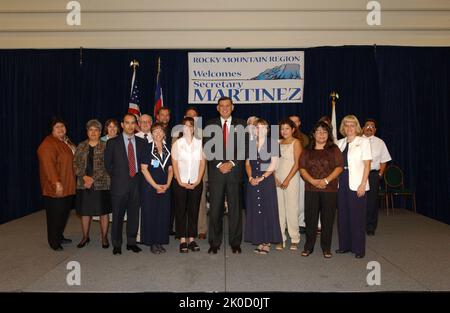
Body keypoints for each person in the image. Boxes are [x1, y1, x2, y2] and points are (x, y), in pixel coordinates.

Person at [203, 96, 247, 254]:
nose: (225, 108)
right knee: (215, 209)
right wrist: (220, 164)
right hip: (217, 173)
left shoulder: (242, 124)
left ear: (233, 107)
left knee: (235, 209)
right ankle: (214, 243)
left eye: (228, 105)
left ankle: (235, 243)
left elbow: (244, 148)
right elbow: (207, 149)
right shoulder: (209, 124)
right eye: (221, 106)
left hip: (235, 172)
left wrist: (232, 163)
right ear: (217, 108)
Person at [299, 121, 343, 258]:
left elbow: (339, 167)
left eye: (324, 132)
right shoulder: (307, 150)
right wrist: (312, 181)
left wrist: (325, 180)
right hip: (311, 188)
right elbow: (302, 168)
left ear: (328, 134)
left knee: (327, 219)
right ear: (313, 134)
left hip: (329, 189)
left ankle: (326, 247)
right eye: (318, 131)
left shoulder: (334, 149)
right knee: (310, 219)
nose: (321, 134)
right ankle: (308, 246)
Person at [105, 113, 146, 255]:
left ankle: (131, 242)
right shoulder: (112, 143)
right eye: (127, 123)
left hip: (136, 184)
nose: (130, 126)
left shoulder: (142, 143)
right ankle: (117, 244)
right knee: (117, 216)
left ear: (136, 125)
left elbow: (144, 165)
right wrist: (119, 178)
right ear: (122, 125)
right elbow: (108, 165)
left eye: (132, 123)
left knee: (134, 215)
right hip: (119, 185)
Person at [37, 117, 76, 251]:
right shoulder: (48, 144)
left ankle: (59, 236)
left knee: (63, 214)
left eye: (62, 126)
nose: (61, 129)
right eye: (57, 127)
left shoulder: (65, 141)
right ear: (51, 130)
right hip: (56, 188)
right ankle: (54, 242)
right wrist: (56, 183)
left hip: (68, 185)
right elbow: (48, 167)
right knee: (55, 215)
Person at [336, 115, 372, 258]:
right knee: (343, 216)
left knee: (357, 217)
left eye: (352, 125)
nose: (349, 128)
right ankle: (344, 246)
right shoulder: (339, 143)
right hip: (341, 182)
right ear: (343, 128)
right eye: (346, 125)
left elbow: (367, 165)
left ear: (356, 127)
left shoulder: (363, 142)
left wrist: (363, 184)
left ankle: (358, 249)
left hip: (357, 182)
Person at [244, 119, 282, 254]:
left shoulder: (273, 143)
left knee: (267, 209)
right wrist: (250, 178)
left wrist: (263, 177)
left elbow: (274, 164)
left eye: (262, 127)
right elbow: (247, 164)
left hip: (266, 180)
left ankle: (267, 242)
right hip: (253, 180)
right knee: (256, 210)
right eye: (257, 128)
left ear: (267, 129)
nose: (259, 130)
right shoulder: (251, 144)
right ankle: (259, 240)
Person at [73, 119, 111, 249]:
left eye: (96, 130)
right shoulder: (81, 146)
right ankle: (85, 236)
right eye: (91, 130)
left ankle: (104, 237)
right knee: (85, 212)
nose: (93, 132)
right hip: (83, 184)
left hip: (101, 184)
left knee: (103, 212)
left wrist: (93, 179)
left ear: (100, 132)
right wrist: (84, 177)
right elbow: (75, 164)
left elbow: (108, 165)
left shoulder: (106, 145)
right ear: (87, 132)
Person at [172, 117, 206, 252]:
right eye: (185, 126)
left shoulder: (199, 143)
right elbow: (174, 164)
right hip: (180, 183)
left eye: (190, 126)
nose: (188, 128)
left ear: (193, 128)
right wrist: (180, 181)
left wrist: (198, 180)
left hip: (195, 183)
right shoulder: (177, 143)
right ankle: (182, 240)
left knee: (193, 211)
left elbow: (202, 163)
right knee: (180, 211)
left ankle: (192, 239)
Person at [140, 122, 173, 254]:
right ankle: (152, 242)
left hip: (165, 186)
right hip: (150, 186)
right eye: (155, 131)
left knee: (163, 214)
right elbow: (144, 169)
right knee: (150, 213)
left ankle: (160, 241)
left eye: (160, 131)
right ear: (151, 134)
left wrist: (167, 185)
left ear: (164, 133)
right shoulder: (147, 147)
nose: (158, 133)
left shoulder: (168, 148)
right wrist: (155, 186)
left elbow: (171, 169)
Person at [274, 119, 302, 250]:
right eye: (282, 129)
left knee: (291, 208)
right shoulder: (277, 142)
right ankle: (281, 238)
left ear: (293, 129)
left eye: (287, 128)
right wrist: (274, 177)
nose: (284, 131)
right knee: (279, 210)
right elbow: (273, 163)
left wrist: (287, 179)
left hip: (291, 178)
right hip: (277, 179)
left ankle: (294, 238)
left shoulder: (296, 143)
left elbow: (297, 163)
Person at [362, 118, 392, 236]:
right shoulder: (357, 141)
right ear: (363, 128)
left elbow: (384, 160)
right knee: (358, 201)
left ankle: (370, 227)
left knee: (372, 202)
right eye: (367, 125)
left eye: (372, 126)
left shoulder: (380, 142)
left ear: (375, 129)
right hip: (358, 175)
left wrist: (380, 174)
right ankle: (358, 225)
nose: (369, 128)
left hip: (373, 175)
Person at [184, 107, 208, 240]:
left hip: (200, 172)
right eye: (189, 115)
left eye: (195, 116)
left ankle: (201, 229)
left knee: (200, 202)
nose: (192, 118)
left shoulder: (204, 133)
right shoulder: (178, 134)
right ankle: (185, 229)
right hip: (183, 174)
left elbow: (208, 155)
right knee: (184, 202)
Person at [289, 114, 309, 235]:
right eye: (291, 122)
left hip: (300, 171)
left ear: (299, 123)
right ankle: (288, 222)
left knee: (301, 199)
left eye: (296, 122)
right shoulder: (281, 136)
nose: (294, 124)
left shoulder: (305, 138)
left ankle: (301, 222)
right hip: (285, 171)